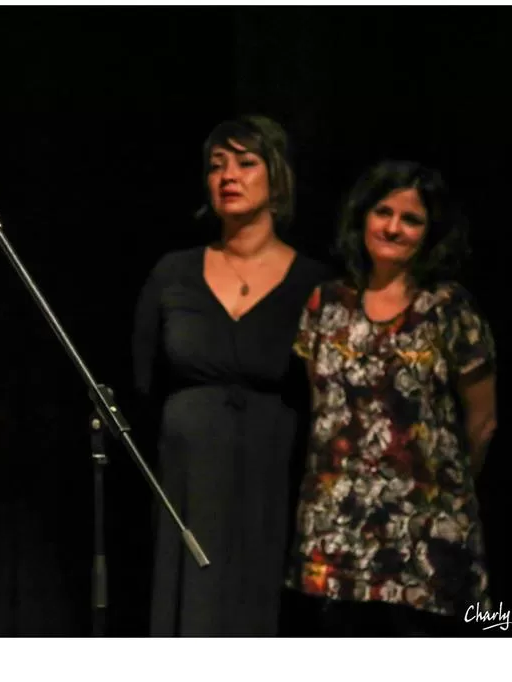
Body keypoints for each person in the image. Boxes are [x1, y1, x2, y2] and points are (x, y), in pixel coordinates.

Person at [132, 115, 327, 635]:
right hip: (188, 475)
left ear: (276, 176)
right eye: (217, 165)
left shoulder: (314, 283)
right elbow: (142, 382)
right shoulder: (174, 272)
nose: (228, 176)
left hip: (271, 475)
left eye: (245, 163)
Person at [283, 160, 497, 636]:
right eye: (384, 212)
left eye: (411, 219)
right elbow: (320, 410)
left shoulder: (447, 308)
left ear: (430, 233)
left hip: (423, 541)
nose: (393, 228)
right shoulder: (325, 304)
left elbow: (483, 422)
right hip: (335, 538)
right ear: (363, 216)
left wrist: (440, 496)